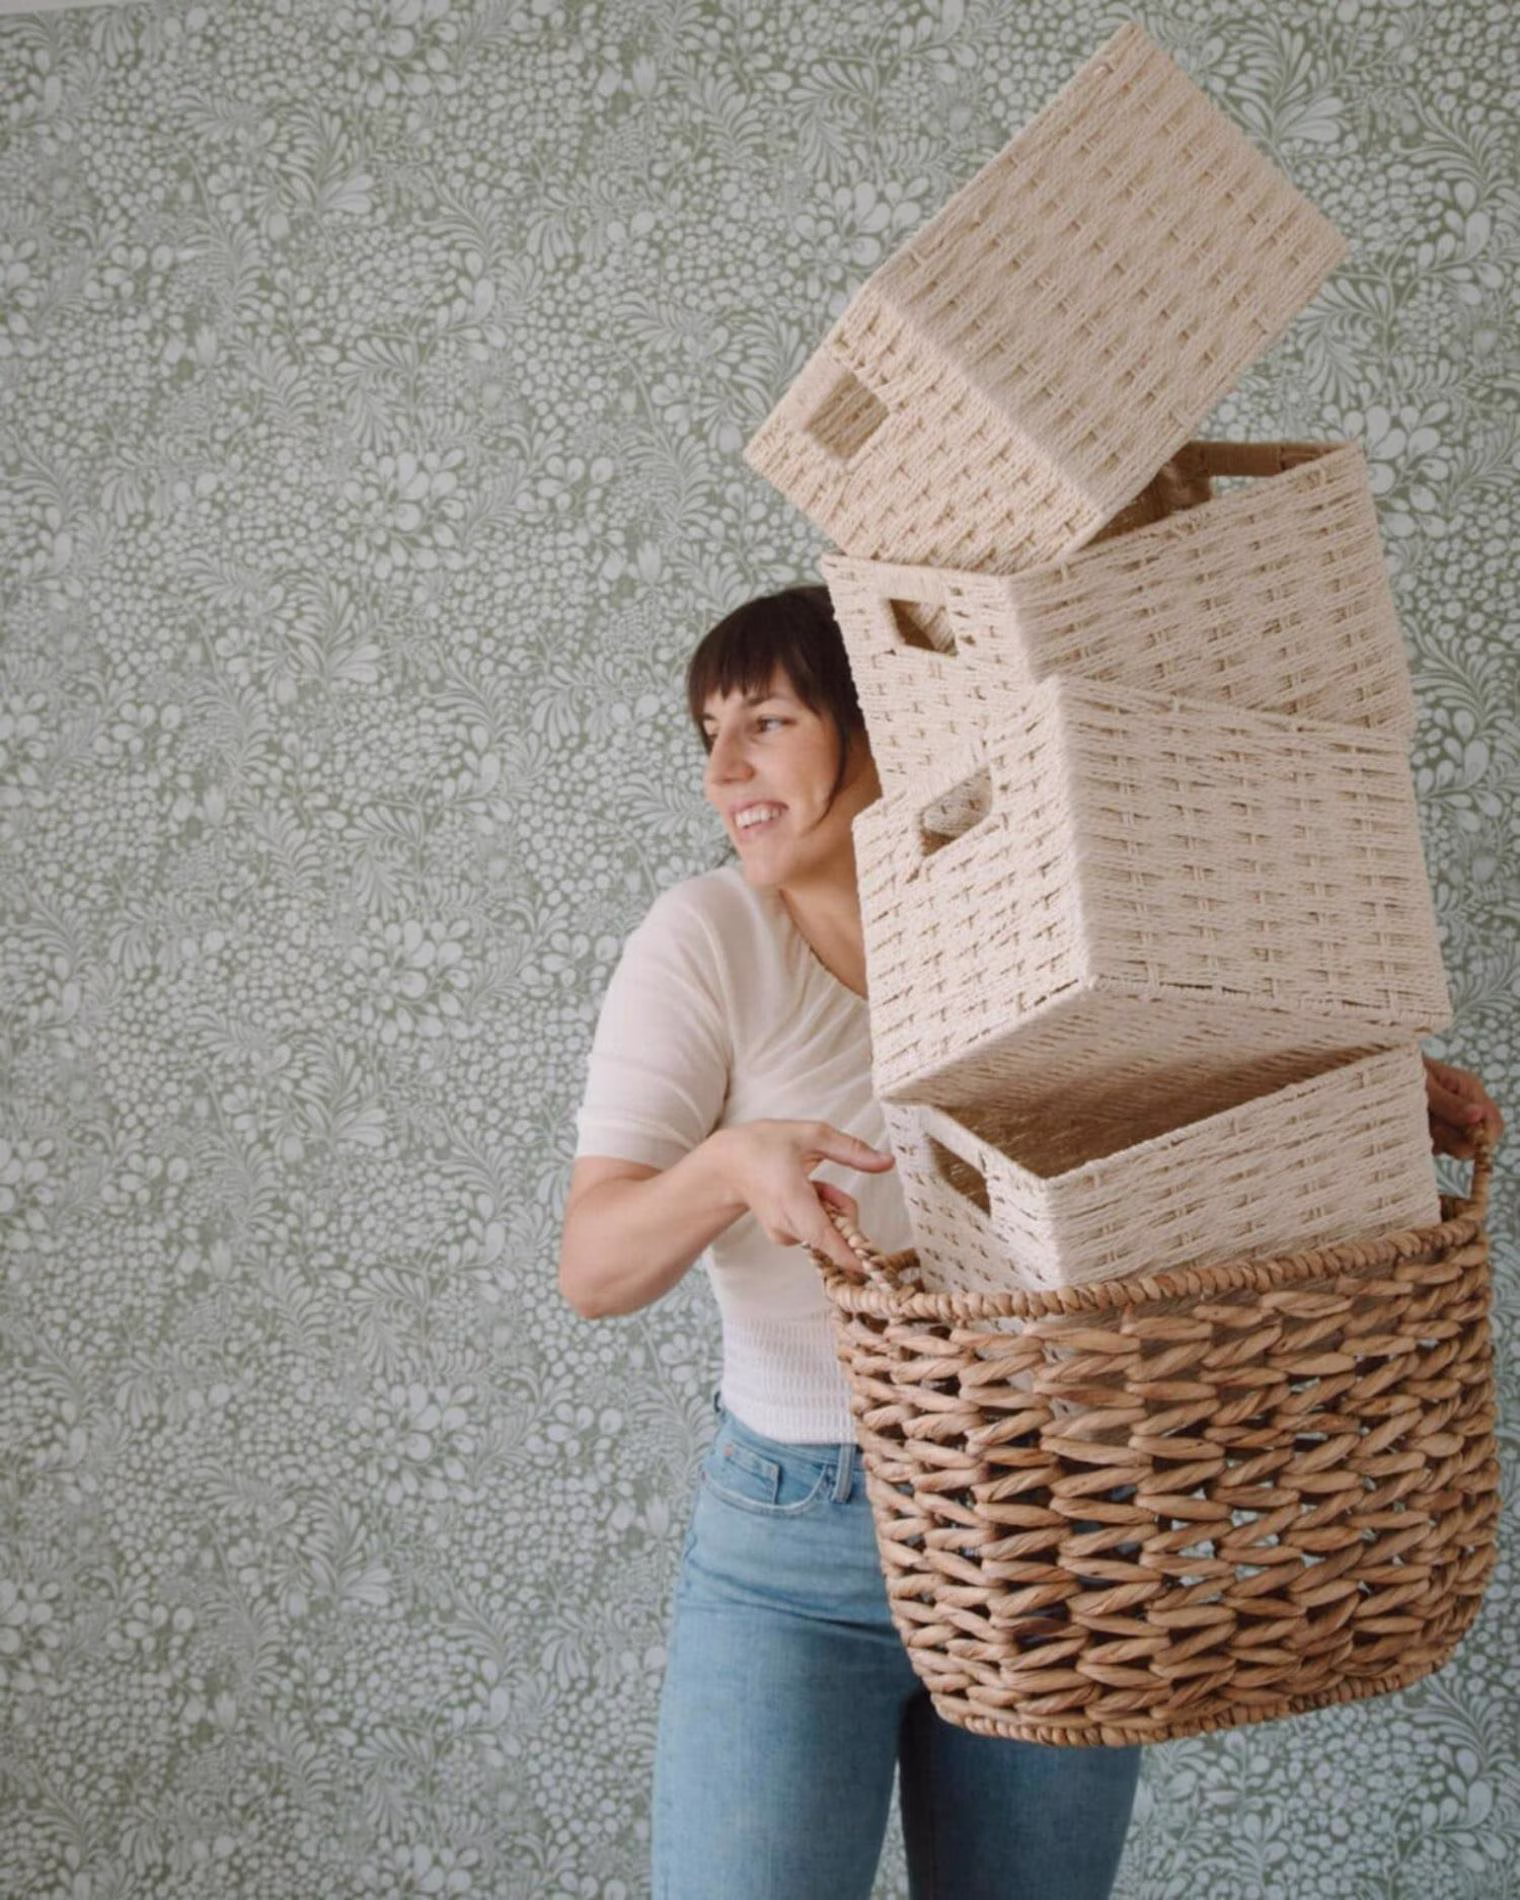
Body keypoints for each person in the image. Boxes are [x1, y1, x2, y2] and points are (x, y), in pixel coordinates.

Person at [557, 584, 1505, 1900]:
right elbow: (594, 1266)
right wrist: (727, 1166)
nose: (724, 773)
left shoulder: (1030, 918)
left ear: (879, 727)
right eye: (709, 733)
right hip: (797, 1547)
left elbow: (1181, 1097)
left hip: (1061, 1529)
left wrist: (1359, 1097)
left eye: (766, 723)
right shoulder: (707, 940)